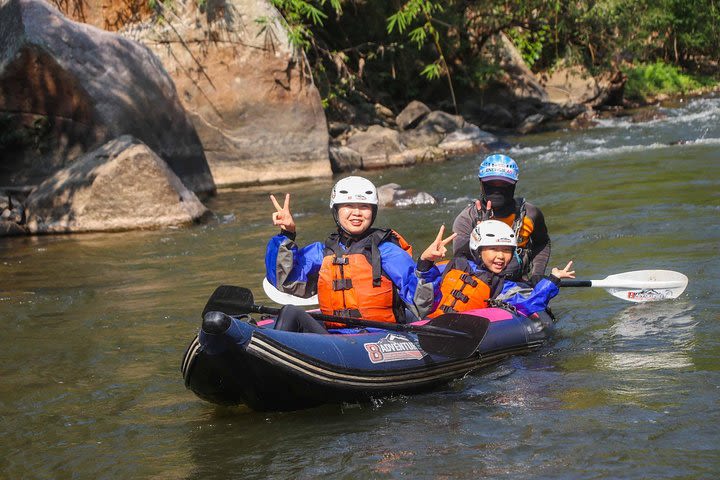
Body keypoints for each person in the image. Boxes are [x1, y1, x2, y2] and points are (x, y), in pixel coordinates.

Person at [266, 176, 435, 332]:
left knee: (289, 314)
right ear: (336, 211)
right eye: (348, 206)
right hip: (334, 338)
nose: (357, 213)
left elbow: (421, 304)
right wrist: (287, 234)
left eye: (364, 207)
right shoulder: (323, 252)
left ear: (373, 212)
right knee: (288, 314)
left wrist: (425, 265)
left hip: (380, 337)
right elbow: (284, 281)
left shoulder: (387, 251)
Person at [418, 220, 574, 318]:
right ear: (477, 249)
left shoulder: (502, 286)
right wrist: (425, 261)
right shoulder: (453, 265)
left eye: (507, 250)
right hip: (430, 322)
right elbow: (421, 292)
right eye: (493, 249)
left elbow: (529, 303)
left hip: (463, 332)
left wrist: (552, 280)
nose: (501, 256)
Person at [452, 153, 551, 285]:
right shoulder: (468, 219)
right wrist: (481, 232)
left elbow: (542, 243)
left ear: (514, 185)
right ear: (481, 183)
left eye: (504, 185)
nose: (497, 190)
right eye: (491, 184)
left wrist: (537, 274)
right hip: (480, 284)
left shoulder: (530, 214)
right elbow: (460, 259)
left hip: (518, 284)